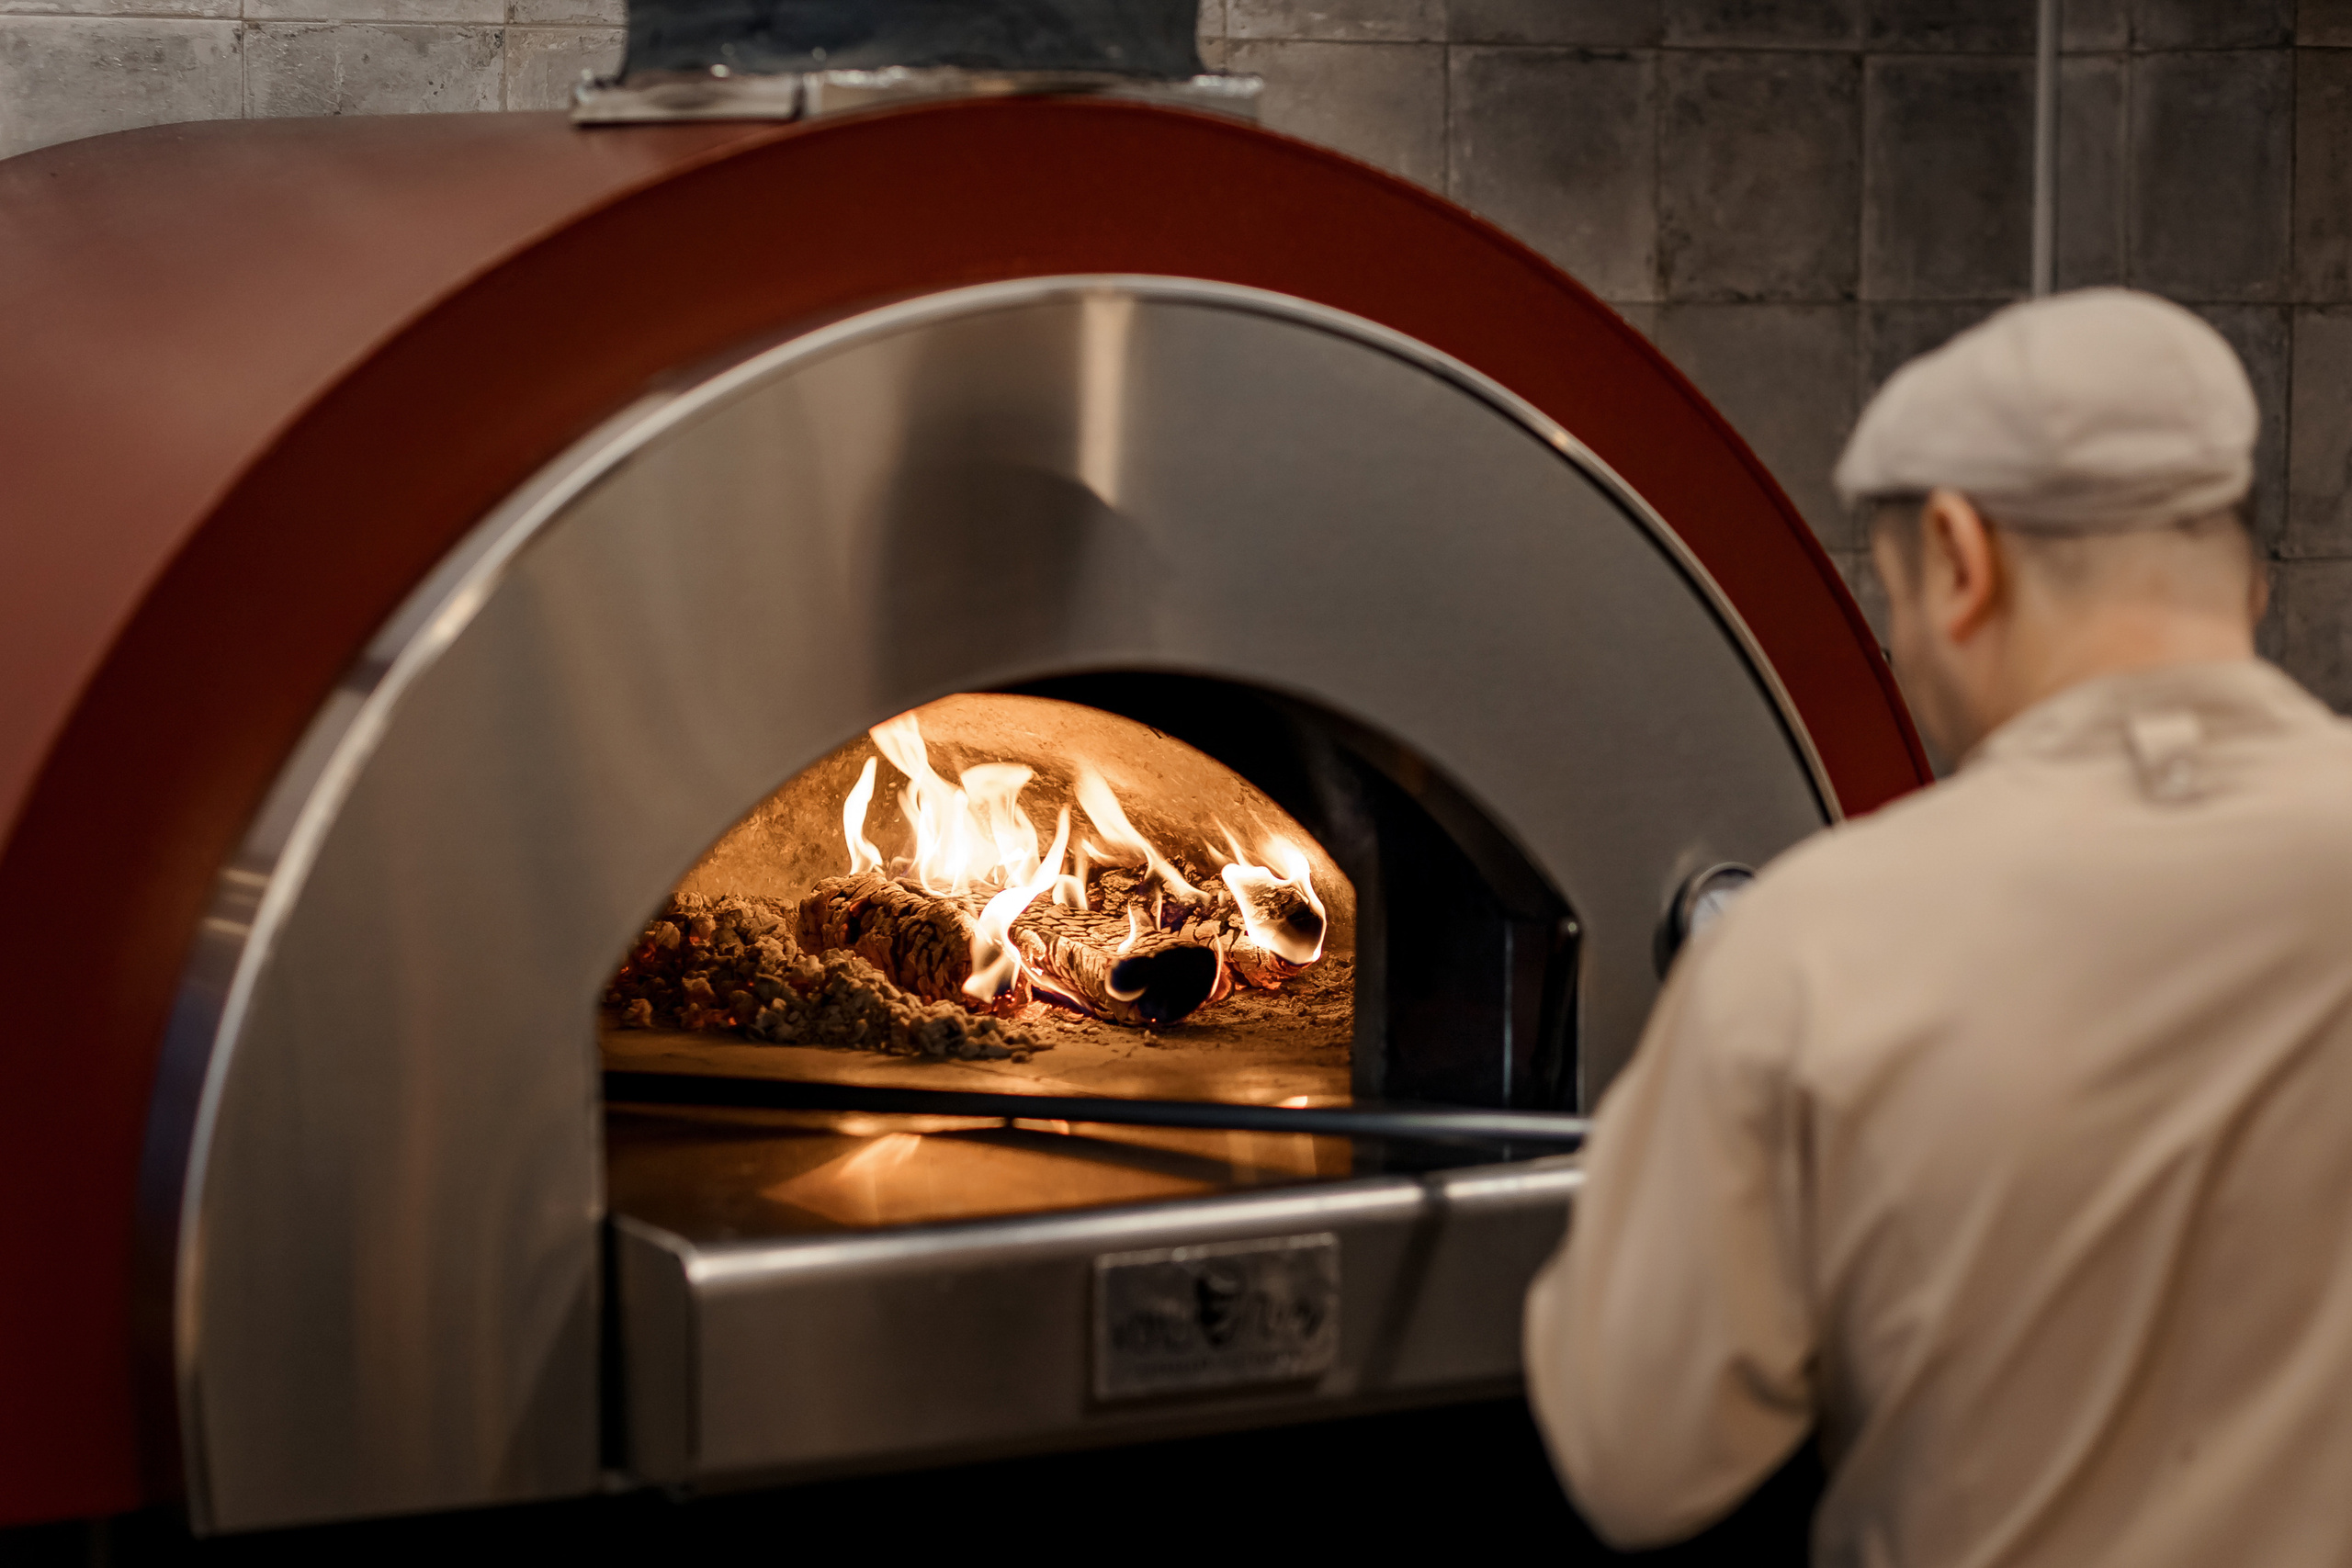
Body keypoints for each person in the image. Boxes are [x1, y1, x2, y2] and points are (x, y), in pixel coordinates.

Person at [1522, 288, 2352, 1566]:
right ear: (2242, 572)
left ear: (1961, 560)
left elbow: (1639, 1456)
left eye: (1896, 596)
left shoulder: (1821, 943)